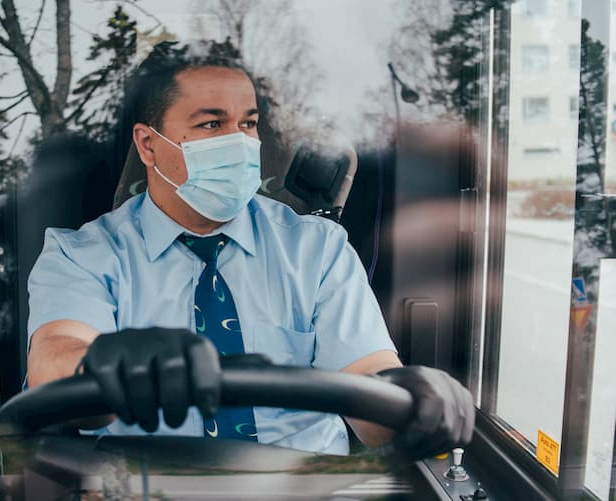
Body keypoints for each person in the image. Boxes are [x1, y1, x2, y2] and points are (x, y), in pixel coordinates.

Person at [25, 40, 474, 458]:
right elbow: (56, 356)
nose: (239, 141)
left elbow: (368, 376)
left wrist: (411, 401)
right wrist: (104, 366)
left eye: (248, 124)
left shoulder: (317, 249)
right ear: (148, 145)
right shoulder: (82, 255)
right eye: (212, 123)